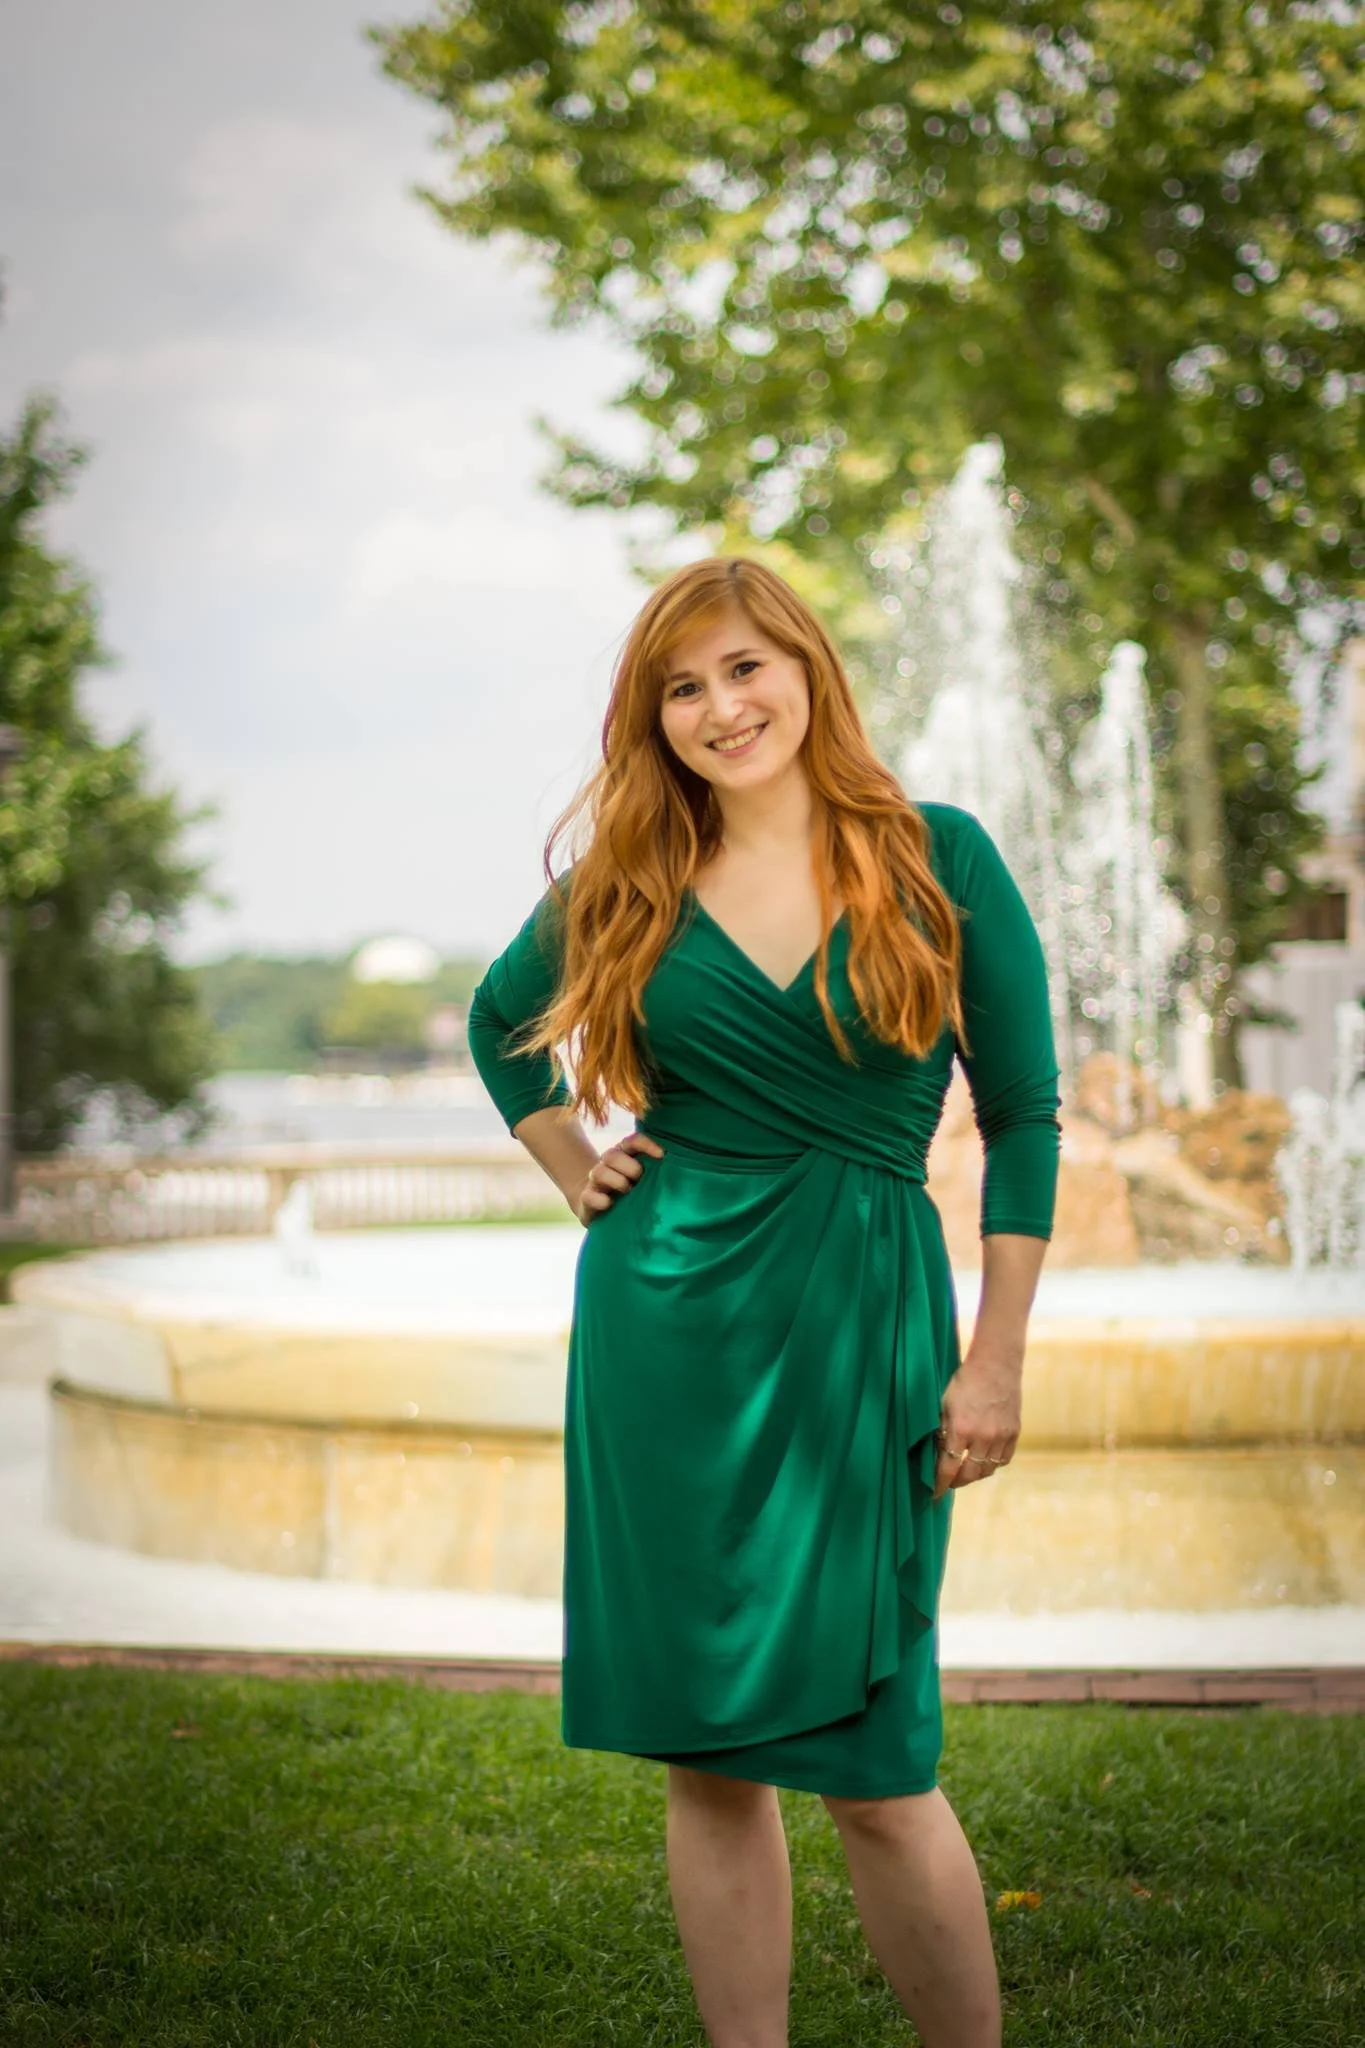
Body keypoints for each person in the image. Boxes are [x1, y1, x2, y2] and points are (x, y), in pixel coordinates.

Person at [466, 554, 1062, 2048]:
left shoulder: (942, 856)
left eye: (745, 669)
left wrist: (995, 1360)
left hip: (865, 1312)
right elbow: (499, 1030)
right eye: (684, 686)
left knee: (880, 1761)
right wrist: (570, 1160)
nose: (722, 707)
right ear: (654, 717)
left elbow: (1029, 1116)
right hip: (665, 1326)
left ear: (807, 669)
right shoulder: (636, 878)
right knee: (707, 1761)